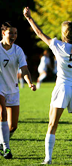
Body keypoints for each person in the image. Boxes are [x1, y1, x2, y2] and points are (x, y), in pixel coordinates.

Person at [23, 4, 72, 165]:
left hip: (63, 88)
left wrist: (29, 18)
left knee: (52, 125)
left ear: (63, 34)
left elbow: (40, 33)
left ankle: (48, 159)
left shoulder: (57, 45)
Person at [0, 21, 36, 159]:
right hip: (0, 88)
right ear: (3, 33)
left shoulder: (18, 50)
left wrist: (29, 83)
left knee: (13, 126)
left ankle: (2, 142)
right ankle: (7, 149)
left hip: (13, 89)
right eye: (11, 33)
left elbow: (24, 69)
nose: (14, 36)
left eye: (15, 33)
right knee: (2, 113)